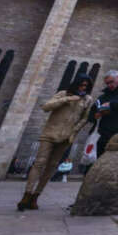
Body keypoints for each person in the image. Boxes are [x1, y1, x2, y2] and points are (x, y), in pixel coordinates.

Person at [16, 73, 93, 211]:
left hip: (66, 136)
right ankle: (26, 195)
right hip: (50, 132)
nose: (83, 88)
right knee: (39, 163)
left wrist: (74, 131)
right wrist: (67, 99)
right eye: (81, 85)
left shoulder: (87, 99)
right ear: (76, 84)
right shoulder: (63, 94)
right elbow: (46, 107)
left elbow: (85, 118)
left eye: (86, 86)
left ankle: (36, 196)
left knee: (52, 166)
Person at [88, 69, 118, 157]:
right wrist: (95, 116)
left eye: (111, 82)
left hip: (116, 135)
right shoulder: (103, 96)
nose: (110, 85)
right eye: (107, 83)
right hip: (99, 135)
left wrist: (112, 104)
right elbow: (91, 113)